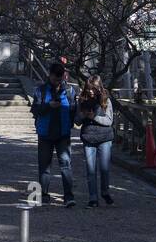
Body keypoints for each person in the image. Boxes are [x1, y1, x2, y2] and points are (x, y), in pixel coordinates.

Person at [32, 61, 77, 206]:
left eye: (60, 78)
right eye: (55, 78)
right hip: (45, 133)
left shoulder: (69, 91)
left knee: (66, 165)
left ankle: (69, 196)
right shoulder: (41, 91)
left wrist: (69, 124)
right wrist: (48, 106)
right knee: (44, 165)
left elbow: (73, 110)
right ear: (49, 75)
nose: (58, 81)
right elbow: (35, 110)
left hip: (63, 133)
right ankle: (43, 195)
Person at [76, 75, 115, 207]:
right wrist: (83, 115)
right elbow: (77, 121)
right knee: (91, 170)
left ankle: (105, 192)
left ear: (99, 88)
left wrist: (94, 117)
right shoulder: (82, 100)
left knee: (104, 169)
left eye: (93, 89)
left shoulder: (106, 100)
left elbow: (109, 121)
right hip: (88, 137)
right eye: (89, 89)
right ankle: (93, 198)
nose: (91, 91)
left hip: (105, 137)